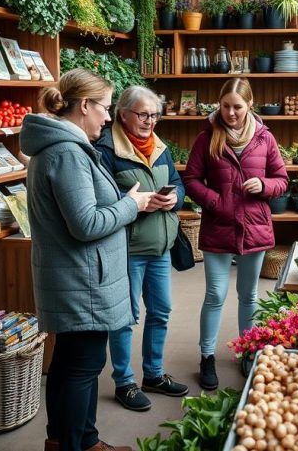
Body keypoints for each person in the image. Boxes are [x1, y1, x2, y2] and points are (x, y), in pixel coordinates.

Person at [21, 69, 153, 451]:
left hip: (78, 277)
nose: (108, 117)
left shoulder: (65, 148)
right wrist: (131, 204)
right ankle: (74, 444)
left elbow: (84, 212)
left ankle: (76, 440)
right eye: (105, 108)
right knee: (82, 367)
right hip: (83, 282)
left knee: (70, 366)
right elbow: (86, 223)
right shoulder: (66, 153)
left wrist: (122, 202)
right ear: (84, 106)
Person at [182, 77, 289, 390]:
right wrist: (216, 201)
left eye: (237, 107)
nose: (230, 113)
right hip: (218, 225)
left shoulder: (265, 138)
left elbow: (281, 179)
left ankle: (247, 350)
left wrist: (264, 186)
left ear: (250, 105)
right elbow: (191, 179)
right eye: (225, 106)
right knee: (215, 294)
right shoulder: (207, 138)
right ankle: (207, 357)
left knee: (249, 294)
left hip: (254, 225)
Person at [95, 85, 189, 412]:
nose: (150, 121)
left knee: (161, 311)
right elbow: (101, 201)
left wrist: (175, 197)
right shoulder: (106, 150)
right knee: (125, 317)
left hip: (160, 246)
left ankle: (153, 374)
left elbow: (177, 182)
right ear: (123, 114)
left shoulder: (159, 147)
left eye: (154, 115)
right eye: (143, 114)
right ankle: (125, 382)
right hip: (128, 249)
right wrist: (134, 205)